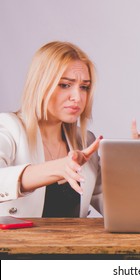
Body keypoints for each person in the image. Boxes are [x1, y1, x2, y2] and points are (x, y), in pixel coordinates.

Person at [0, 41, 104, 217]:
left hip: (75, 245)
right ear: (40, 84)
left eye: (84, 87)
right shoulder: (8, 127)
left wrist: (133, 160)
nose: (77, 97)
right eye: (65, 85)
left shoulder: (85, 140)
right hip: (16, 244)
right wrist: (58, 168)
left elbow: (117, 206)